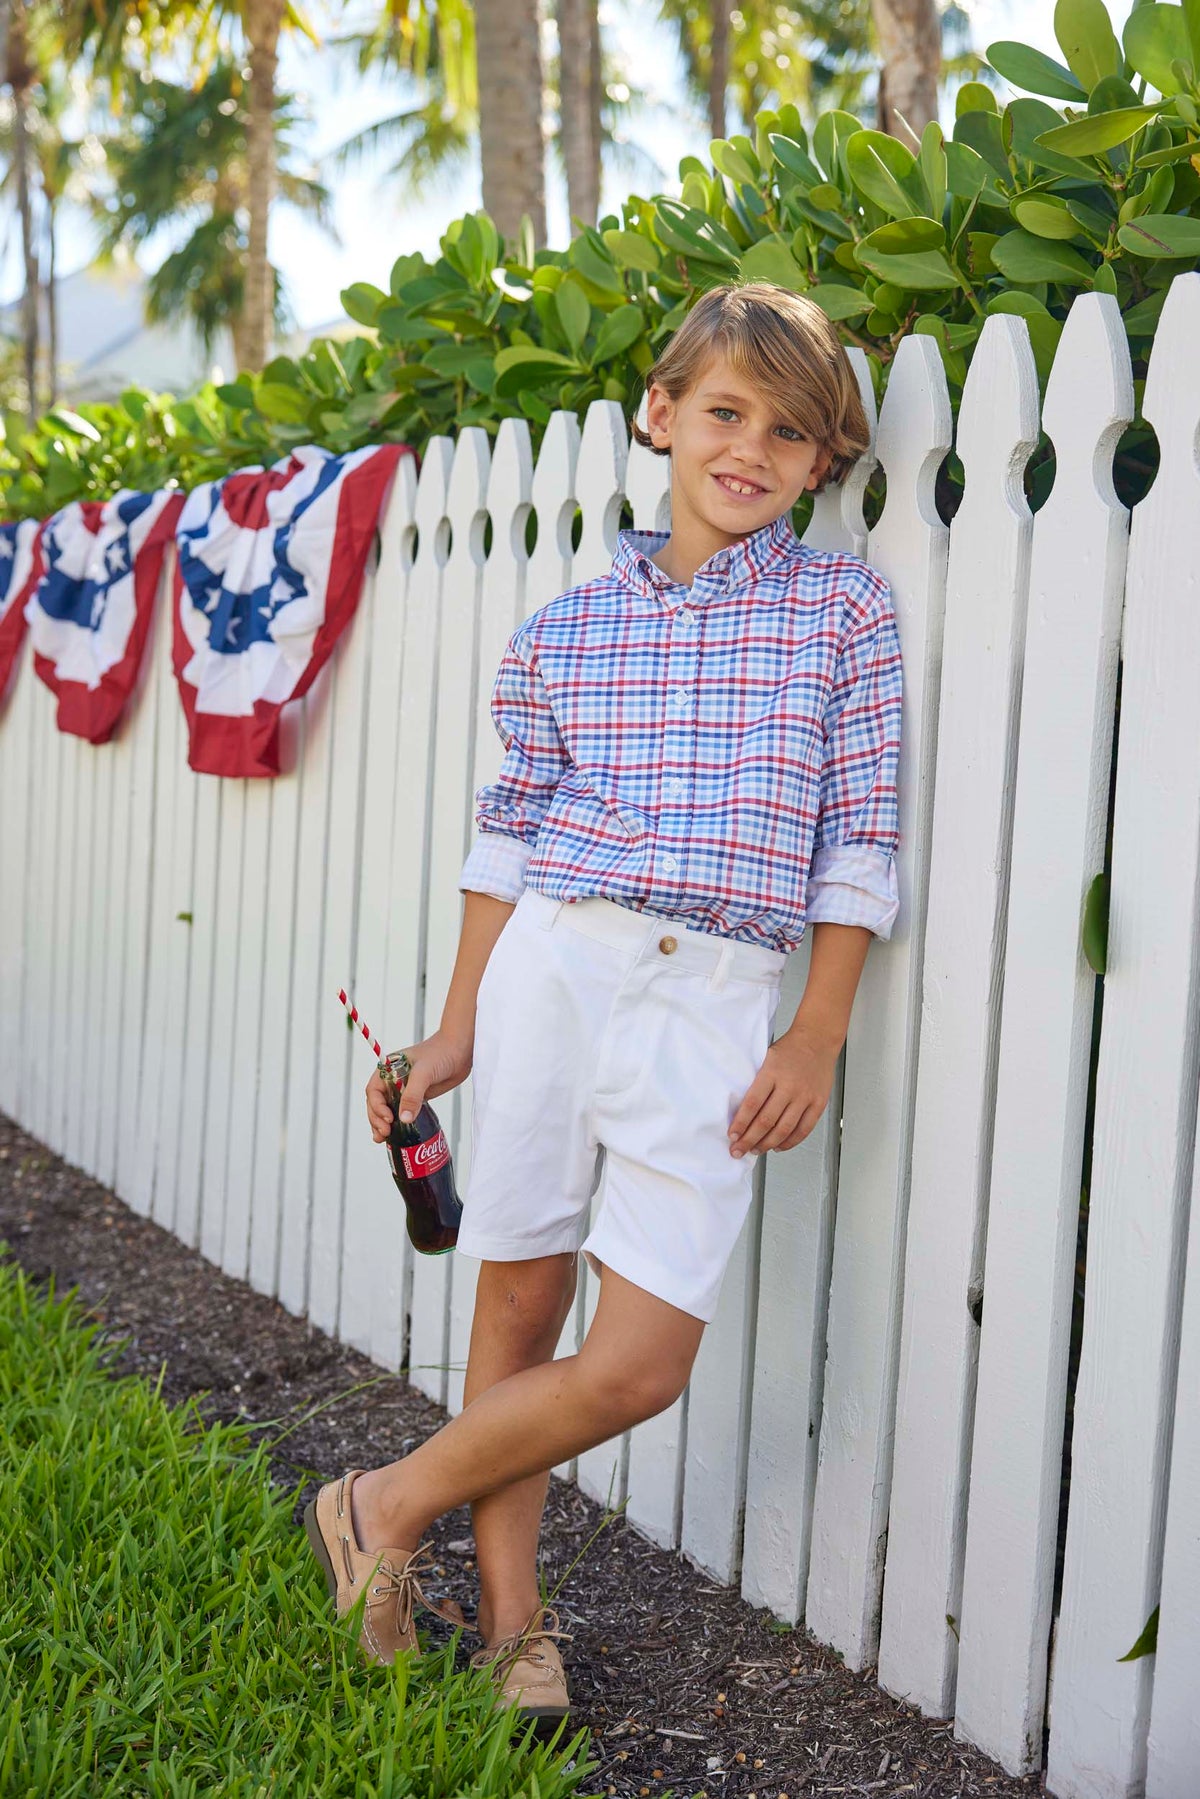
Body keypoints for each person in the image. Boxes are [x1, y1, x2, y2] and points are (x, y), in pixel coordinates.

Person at [303, 280, 903, 1726]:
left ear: (826, 460)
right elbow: (505, 843)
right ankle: (517, 1625)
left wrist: (815, 1029)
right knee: (518, 1298)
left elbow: (861, 836)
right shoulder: (566, 631)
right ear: (661, 412)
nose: (749, 449)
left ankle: (380, 1506)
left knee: (637, 1360)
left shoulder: (843, 610)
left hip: (716, 1002)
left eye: (790, 431)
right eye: (723, 413)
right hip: (556, 974)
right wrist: (451, 1032)